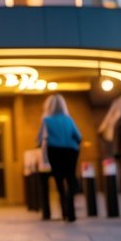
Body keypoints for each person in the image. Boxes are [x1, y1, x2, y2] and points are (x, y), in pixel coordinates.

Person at [37, 94, 82, 222]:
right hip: (71, 151)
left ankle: (64, 211)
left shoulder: (46, 120)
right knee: (71, 177)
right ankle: (71, 211)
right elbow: (78, 137)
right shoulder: (69, 120)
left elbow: (40, 139)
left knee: (59, 180)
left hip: (54, 151)